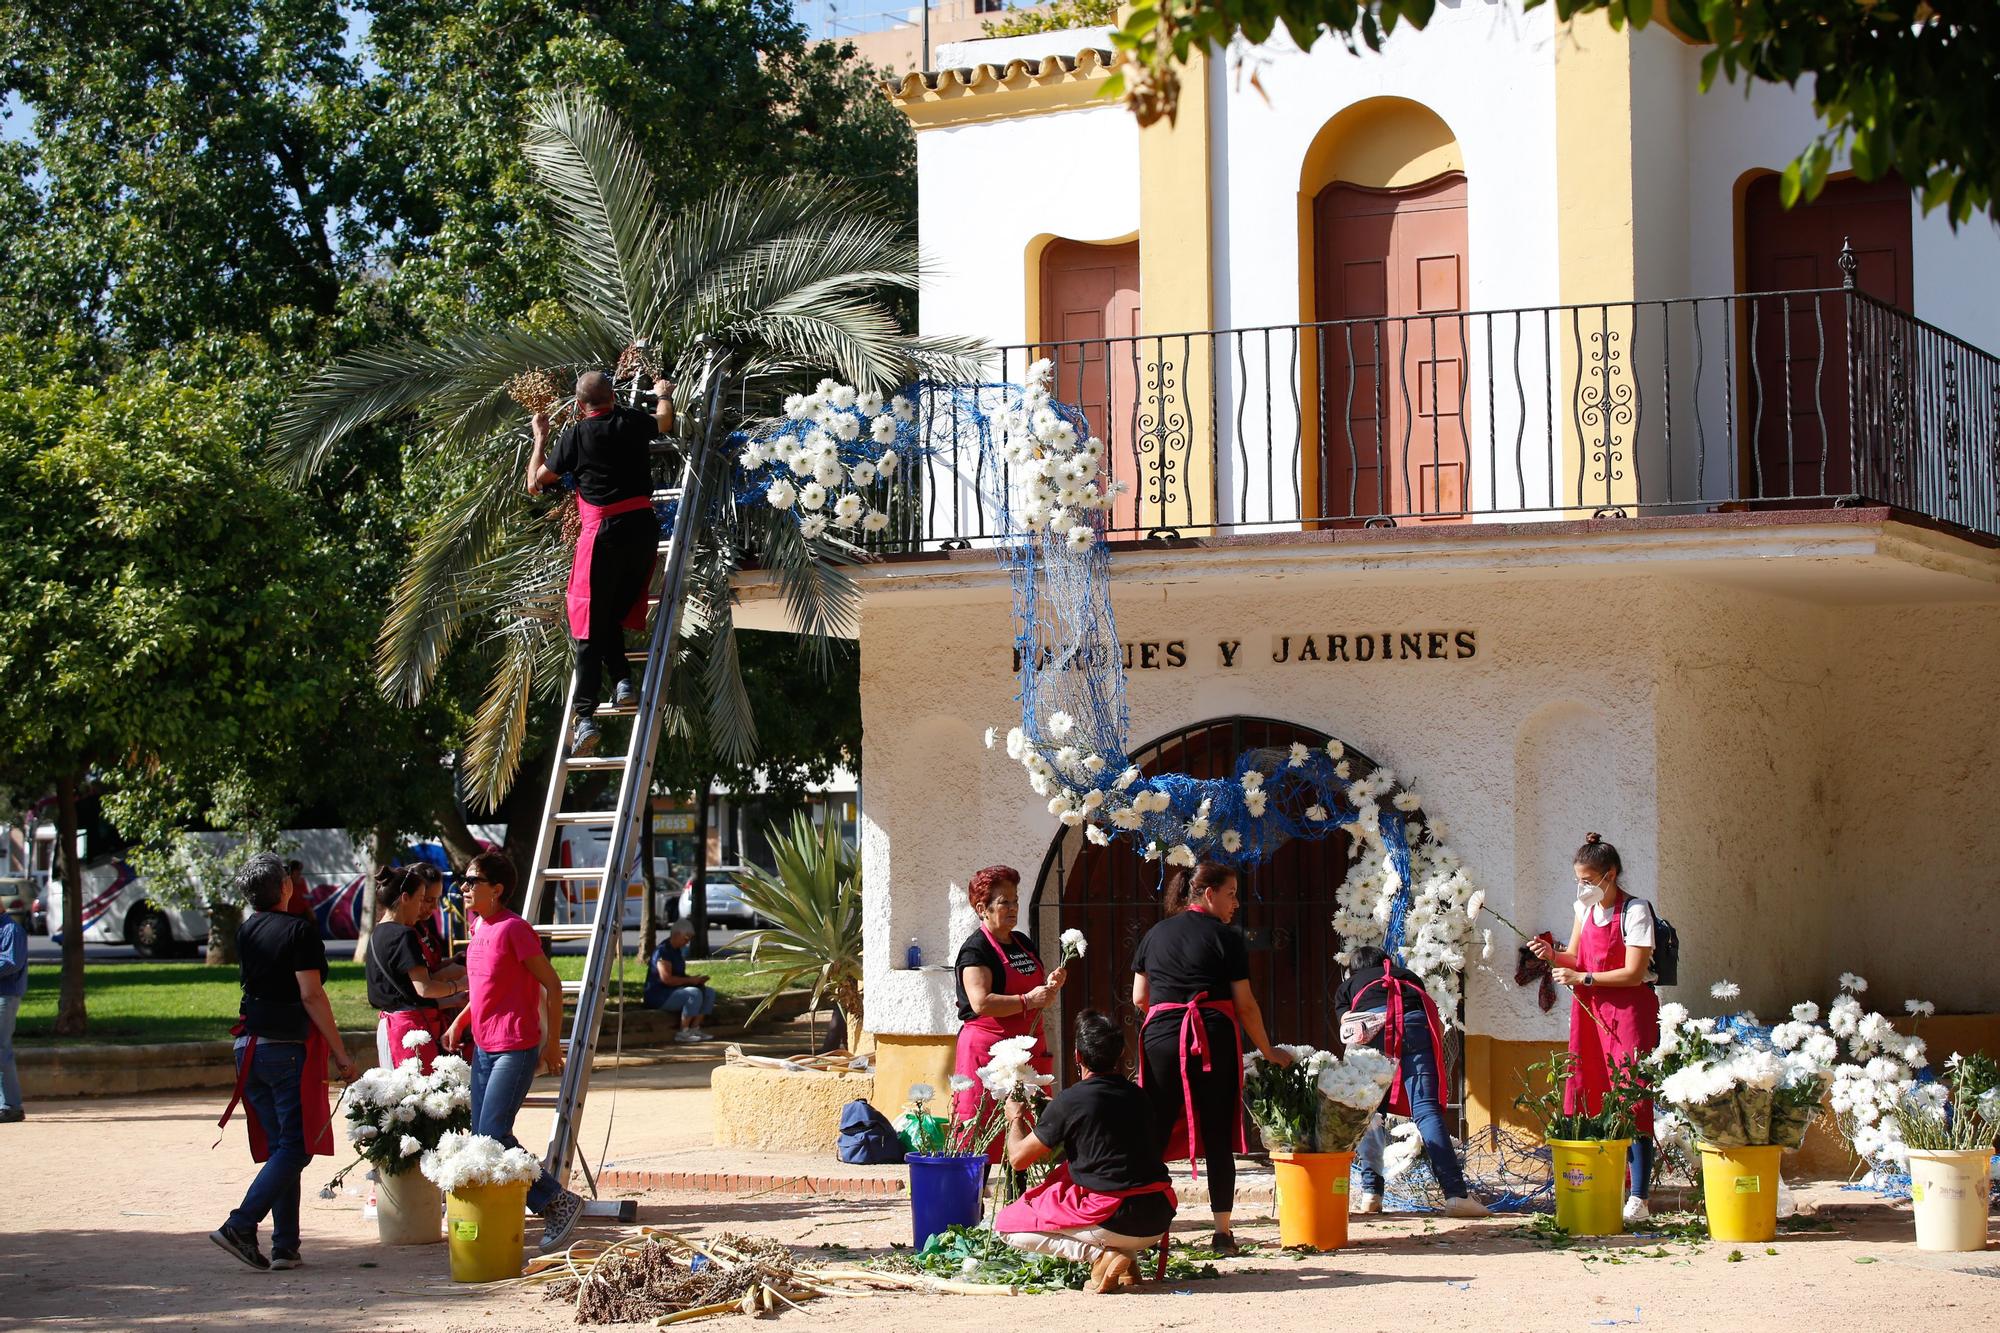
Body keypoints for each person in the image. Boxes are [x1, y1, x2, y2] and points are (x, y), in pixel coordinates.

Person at [1131, 859, 1290, 1254]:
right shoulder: (1227, 937)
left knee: (1155, 1130)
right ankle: (1222, 1232)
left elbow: (1139, 998)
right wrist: (1268, 1050)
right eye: (1232, 894)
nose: (1236, 903)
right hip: (1212, 1036)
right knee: (1218, 1133)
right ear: (1208, 894)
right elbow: (1246, 1005)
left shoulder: (1154, 934)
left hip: (1162, 1037)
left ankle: (1148, 1228)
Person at [212, 853, 358, 1271]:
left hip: (248, 1048)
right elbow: (311, 994)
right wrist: (341, 1053)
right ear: (286, 887)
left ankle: (285, 1245)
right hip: (282, 1049)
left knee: (282, 1149)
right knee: (296, 1148)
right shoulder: (299, 930)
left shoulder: (246, 930)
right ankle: (241, 1224)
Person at [526, 369, 675, 757]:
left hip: (603, 535)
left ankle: (586, 718)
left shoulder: (574, 435)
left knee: (588, 625)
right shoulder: (630, 420)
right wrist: (663, 393)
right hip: (643, 533)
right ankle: (623, 680)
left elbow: (536, 482)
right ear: (612, 396)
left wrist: (540, 437)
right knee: (607, 615)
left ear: (579, 406)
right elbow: (664, 421)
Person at [451, 851, 586, 1251]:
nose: (464, 888)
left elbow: (553, 985)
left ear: (497, 889)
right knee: (482, 1136)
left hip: (516, 1045)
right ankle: (523, 1205)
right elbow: (483, 987)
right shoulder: (478, 927)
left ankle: (557, 1201)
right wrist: (461, 1021)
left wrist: (552, 1044)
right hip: (484, 1046)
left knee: (492, 1134)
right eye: (465, 880)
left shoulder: (514, 929)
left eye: (472, 881)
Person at [1528, 832, 1661, 1226]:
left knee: (1632, 1096)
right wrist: (1551, 954)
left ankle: (1639, 1195)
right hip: (1590, 1013)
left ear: (1611, 874)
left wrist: (1583, 978)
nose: (1583, 886)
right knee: (1589, 1088)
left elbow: (1634, 973)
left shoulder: (1636, 911)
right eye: (1578, 879)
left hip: (1628, 1012)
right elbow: (1575, 954)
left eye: (1589, 879)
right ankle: (1601, 1182)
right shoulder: (1583, 909)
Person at [998, 1009, 1177, 1293]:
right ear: (1119, 1055)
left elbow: (1018, 1159)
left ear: (1078, 1056)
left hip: (1114, 1217)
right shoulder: (1140, 1097)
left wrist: (1015, 1118)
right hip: (1158, 1217)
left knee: (1007, 1225)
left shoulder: (1071, 1101)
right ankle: (1128, 1260)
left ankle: (1101, 1256)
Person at [1339, 944, 1487, 1218]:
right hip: (1415, 1027)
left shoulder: (1350, 985)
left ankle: (1371, 1193)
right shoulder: (1407, 976)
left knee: (1370, 1112)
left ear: (1354, 970)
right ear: (1386, 962)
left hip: (1373, 1033)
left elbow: (1347, 1024)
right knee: (1426, 1111)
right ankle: (1456, 1195)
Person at [950, 865, 1067, 1156]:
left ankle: (1024, 1199)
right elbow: (980, 1002)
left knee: (1028, 1137)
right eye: (1005, 902)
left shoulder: (1022, 943)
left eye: (1015, 901)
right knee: (982, 1137)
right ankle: (974, 1197)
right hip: (989, 1056)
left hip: (1027, 1052)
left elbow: (1037, 996)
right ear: (982, 908)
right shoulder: (975, 951)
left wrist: (1049, 987)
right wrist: (1028, 999)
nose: (1014, 908)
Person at [366, 866, 468, 1073]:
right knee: (420, 1097)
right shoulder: (404, 934)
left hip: (390, 1027)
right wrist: (458, 985)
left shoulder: (378, 932)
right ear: (405, 898)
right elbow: (424, 988)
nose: (424, 906)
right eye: (421, 899)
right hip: (408, 1029)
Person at [643, 922, 716, 1042]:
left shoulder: (676, 951)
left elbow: (679, 975)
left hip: (674, 991)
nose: (687, 942)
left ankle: (694, 1028)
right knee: (694, 993)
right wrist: (690, 981)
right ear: (676, 934)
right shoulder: (663, 951)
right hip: (659, 995)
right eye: (686, 938)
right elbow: (666, 979)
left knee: (709, 992)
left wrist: (695, 980)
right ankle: (683, 1032)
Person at [0, 905, 25, 1123]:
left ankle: (12, 1106)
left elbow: (10, 963)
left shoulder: (11, 929)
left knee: (1, 1049)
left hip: (5, 996)